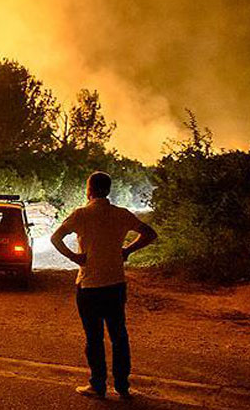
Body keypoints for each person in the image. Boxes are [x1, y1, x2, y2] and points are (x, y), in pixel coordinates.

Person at [50, 171, 158, 400]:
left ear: (89, 189)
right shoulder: (121, 214)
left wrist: (74, 257)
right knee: (119, 336)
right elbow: (149, 233)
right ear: (108, 190)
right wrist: (127, 250)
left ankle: (97, 385)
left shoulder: (81, 215)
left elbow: (55, 238)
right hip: (115, 284)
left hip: (89, 285)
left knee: (94, 337)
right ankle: (122, 386)